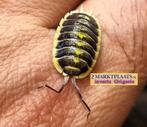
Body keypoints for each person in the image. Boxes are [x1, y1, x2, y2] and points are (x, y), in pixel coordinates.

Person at [0, 0, 146, 126]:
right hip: (82, 29)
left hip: (79, 28)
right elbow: (122, 78)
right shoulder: (91, 74)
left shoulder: (88, 72)